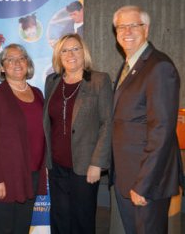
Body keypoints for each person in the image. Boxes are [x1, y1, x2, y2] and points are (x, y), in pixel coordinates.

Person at [111, 5, 184, 234]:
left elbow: (161, 129)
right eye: (121, 26)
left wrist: (143, 184)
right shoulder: (128, 66)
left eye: (135, 25)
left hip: (145, 182)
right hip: (127, 177)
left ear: (147, 29)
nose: (127, 31)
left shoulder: (159, 67)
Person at [43, 33, 113, 234]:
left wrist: (97, 163)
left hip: (85, 165)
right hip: (56, 165)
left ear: (84, 53)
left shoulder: (99, 80)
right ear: (58, 55)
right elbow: (49, 123)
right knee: (59, 218)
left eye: (75, 49)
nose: (70, 54)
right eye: (64, 50)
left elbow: (107, 123)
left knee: (82, 220)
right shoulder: (52, 81)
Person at [0, 44, 47, 234]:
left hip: (30, 175)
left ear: (28, 63)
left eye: (22, 58)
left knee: (21, 229)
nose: (17, 63)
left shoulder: (38, 94)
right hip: (4, 178)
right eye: (10, 59)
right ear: (2, 67)